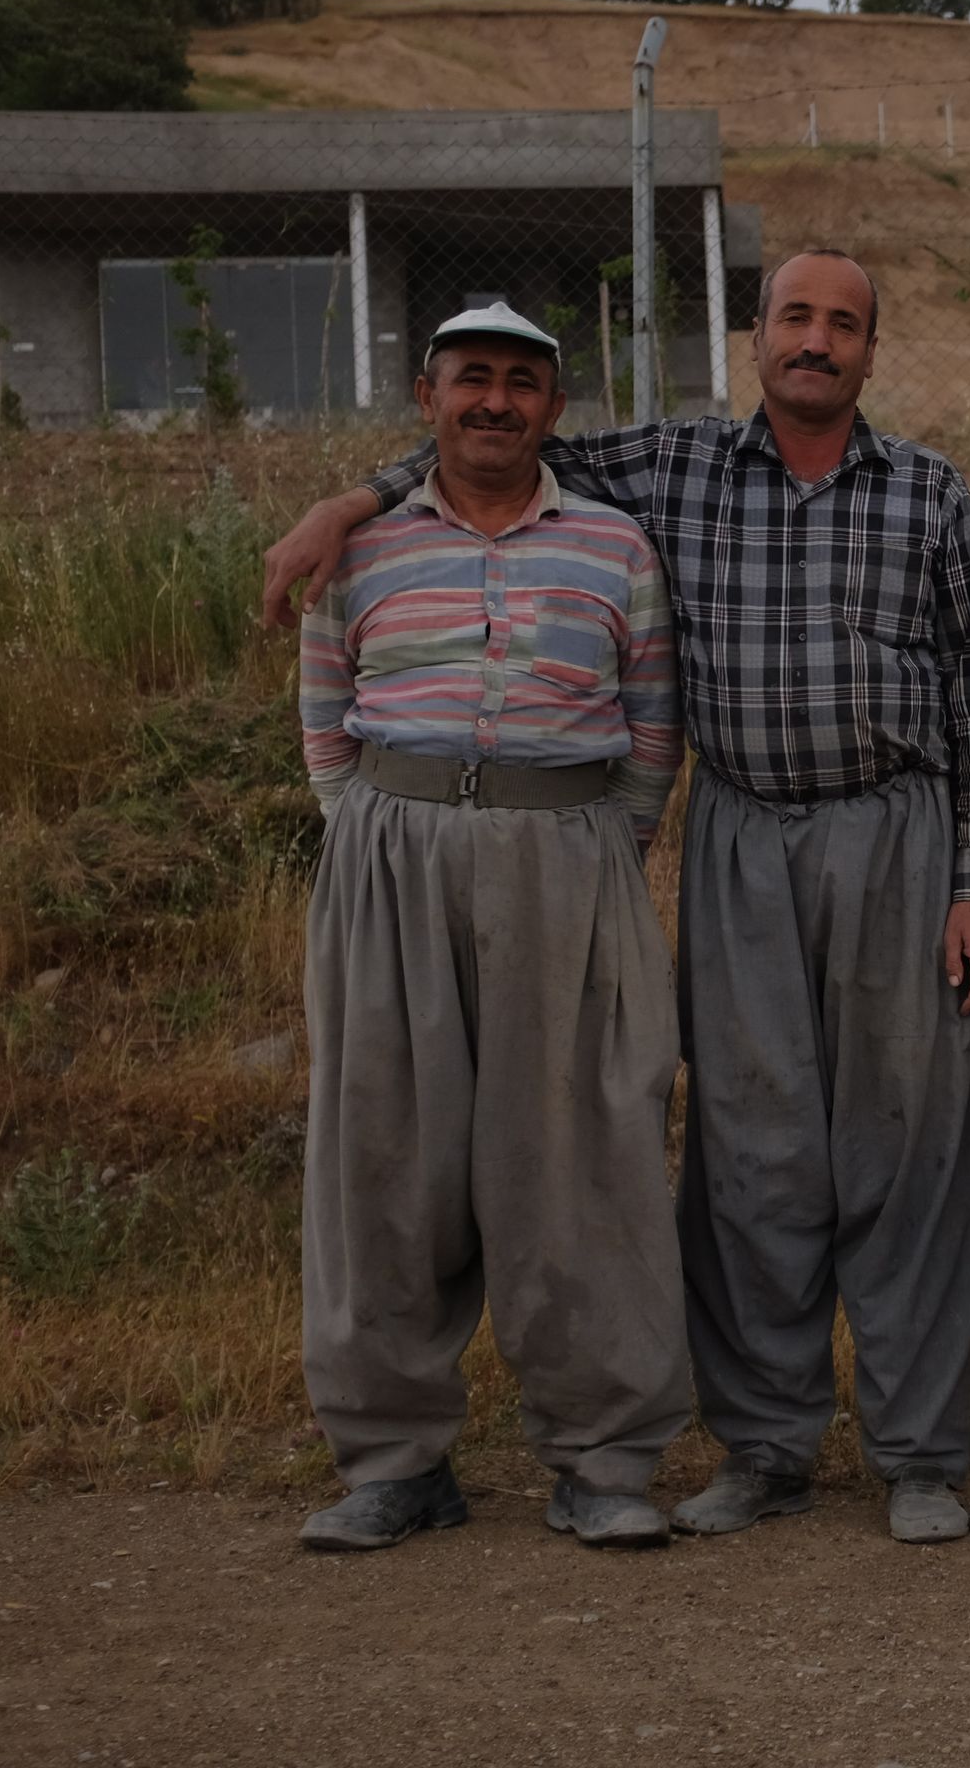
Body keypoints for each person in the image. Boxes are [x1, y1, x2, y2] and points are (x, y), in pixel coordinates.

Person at [258, 250, 970, 1547]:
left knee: (904, 1151)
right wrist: (355, 496)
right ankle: (762, 1446)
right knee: (745, 1156)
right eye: (793, 318)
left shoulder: (930, 494)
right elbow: (476, 460)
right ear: (754, 339)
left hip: (891, 836)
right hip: (730, 840)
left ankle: (916, 1454)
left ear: (872, 353)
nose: (815, 341)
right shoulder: (676, 468)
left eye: (843, 324)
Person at [294, 303, 686, 1552]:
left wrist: (587, 844)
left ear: (553, 407)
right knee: (384, 1159)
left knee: (580, 1162)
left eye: (523, 382)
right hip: (390, 858)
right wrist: (373, 824)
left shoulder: (613, 545)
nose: (497, 403)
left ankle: (605, 1455)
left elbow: (653, 722)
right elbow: (323, 711)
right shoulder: (355, 550)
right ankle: (393, 1458)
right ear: (428, 396)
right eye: (473, 379)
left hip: (568, 857)